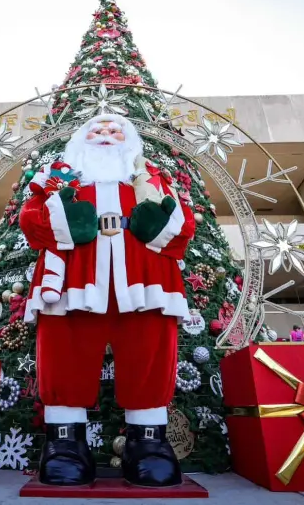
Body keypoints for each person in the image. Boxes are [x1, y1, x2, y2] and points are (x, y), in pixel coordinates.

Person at [20, 114, 195, 487]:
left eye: (115, 130)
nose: (105, 135)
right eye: (96, 131)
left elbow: (184, 225)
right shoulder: (57, 176)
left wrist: (157, 222)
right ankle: (65, 446)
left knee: (149, 350)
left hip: (145, 275)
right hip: (73, 274)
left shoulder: (153, 177)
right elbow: (31, 219)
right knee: (65, 350)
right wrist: (66, 218)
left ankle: (148, 445)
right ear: (80, 140)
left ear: (128, 140)